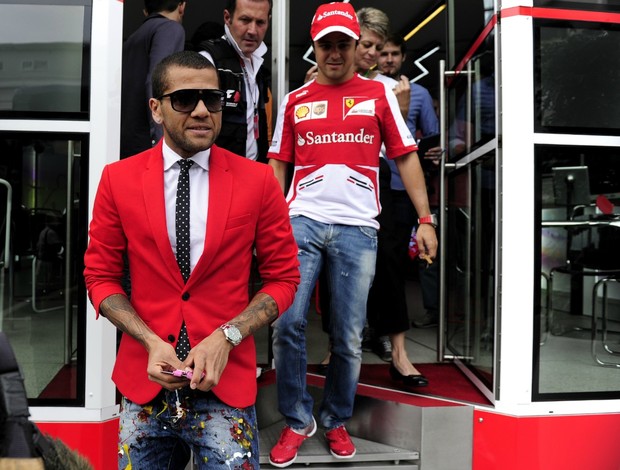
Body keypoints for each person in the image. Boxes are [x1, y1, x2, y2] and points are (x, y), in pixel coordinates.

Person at [84, 51, 300, 469]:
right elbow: (100, 276)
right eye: (184, 99)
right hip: (144, 388)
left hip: (226, 389)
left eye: (212, 99)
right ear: (156, 109)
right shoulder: (119, 179)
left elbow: (284, 279)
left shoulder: (257, 181)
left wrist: (227, 337)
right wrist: (149, 340)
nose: (202, 110)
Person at [267, 3, 437, 467]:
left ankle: (336, 417)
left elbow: (405, 156)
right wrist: (270, 222)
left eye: (344, 43)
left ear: (355, 44)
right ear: (315, 46)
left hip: (359, 228)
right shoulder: (294, 100)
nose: (336, 52)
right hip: (300, 220)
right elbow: (278, 162)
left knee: (347, 334)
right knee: (287, 324)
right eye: (328, 44)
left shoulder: (379, 95)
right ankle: (298, 420)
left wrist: (425, 219)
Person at [377, 33, 442, 329]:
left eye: (394, 54)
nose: (388, 59)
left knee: (397, 260)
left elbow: (432, 136)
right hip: (374, 185)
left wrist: (436, 151)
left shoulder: (419, 94)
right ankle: (371, 325)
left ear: (403, 58)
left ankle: (393, 326)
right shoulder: (369, 91)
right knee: (376, 258)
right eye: (383, 53)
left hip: (404, 186)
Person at [197, 0, 272, 163]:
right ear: (227, 18)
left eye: (260, 22)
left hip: (253, 173)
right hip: (217, 174)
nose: (252, 31)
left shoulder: (257, 64)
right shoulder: (208, 60)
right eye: (245, 20)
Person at [120, 0, 187, 159]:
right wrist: (160, 140)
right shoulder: (170, 29)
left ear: (146, 11)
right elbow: (157, 80)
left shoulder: (133, 38)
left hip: (127, 141)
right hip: (150, 143)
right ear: (182, 6)